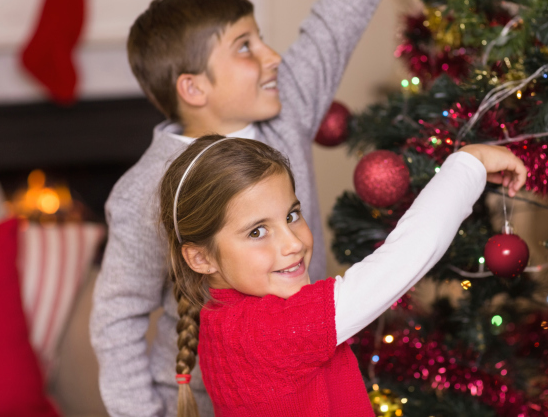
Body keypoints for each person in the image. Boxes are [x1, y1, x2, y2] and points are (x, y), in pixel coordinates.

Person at [90, 0, 421, 414]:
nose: (273, 56)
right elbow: (116, 319)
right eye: (245, 47)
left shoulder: (283, 113)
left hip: (309, 381)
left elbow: (335, 20)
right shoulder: (142, 191)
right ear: (194, 87)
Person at [159, 135, 527, 416]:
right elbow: (406, 255)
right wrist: (469, 163)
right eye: (257, 231)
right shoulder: (268, 332)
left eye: (291, 215)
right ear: (200, 257)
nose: (293, 243)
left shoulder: (223, 315)